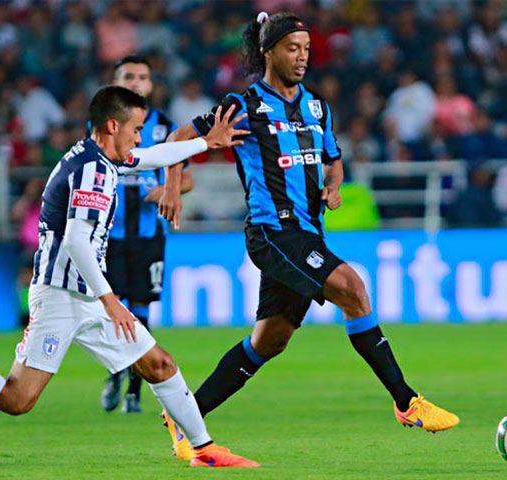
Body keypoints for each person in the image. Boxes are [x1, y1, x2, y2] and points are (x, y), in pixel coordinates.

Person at [0, 85, 259, 468]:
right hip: (61, 296)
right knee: (17, 399)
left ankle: (203, 449)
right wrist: (111, 301)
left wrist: (205, 143)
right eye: (136, 129)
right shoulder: (93, 169)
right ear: (113, 126)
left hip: (88, 295)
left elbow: (151, 157)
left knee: (159, 365)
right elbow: (77, 240)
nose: (138, 138)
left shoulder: (101, 157)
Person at [159, 12, 459, 460]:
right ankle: (406, 401)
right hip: (273, 231)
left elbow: (333, 159)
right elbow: (179, 137)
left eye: (306, 49)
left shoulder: (317, 108)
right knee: (353, 289)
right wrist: (171, 186)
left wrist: (333, 186)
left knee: (270, 341)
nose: (302, 57)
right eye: (292, 48)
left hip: (307, 232)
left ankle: (185, 415)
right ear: (269, 52)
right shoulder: (244, 105)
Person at [101, 55, 193, 414]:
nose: (135, 82)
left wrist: (169, 189)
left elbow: (186, 178)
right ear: (116, 82)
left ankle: (134, 389)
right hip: (109, 236)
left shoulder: (166, 127)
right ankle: (115, 372)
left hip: (148, 235)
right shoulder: (101, 126)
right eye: (128, 76)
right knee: (113, 311)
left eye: (142, 77)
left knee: (141, 311)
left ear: (151, 85)